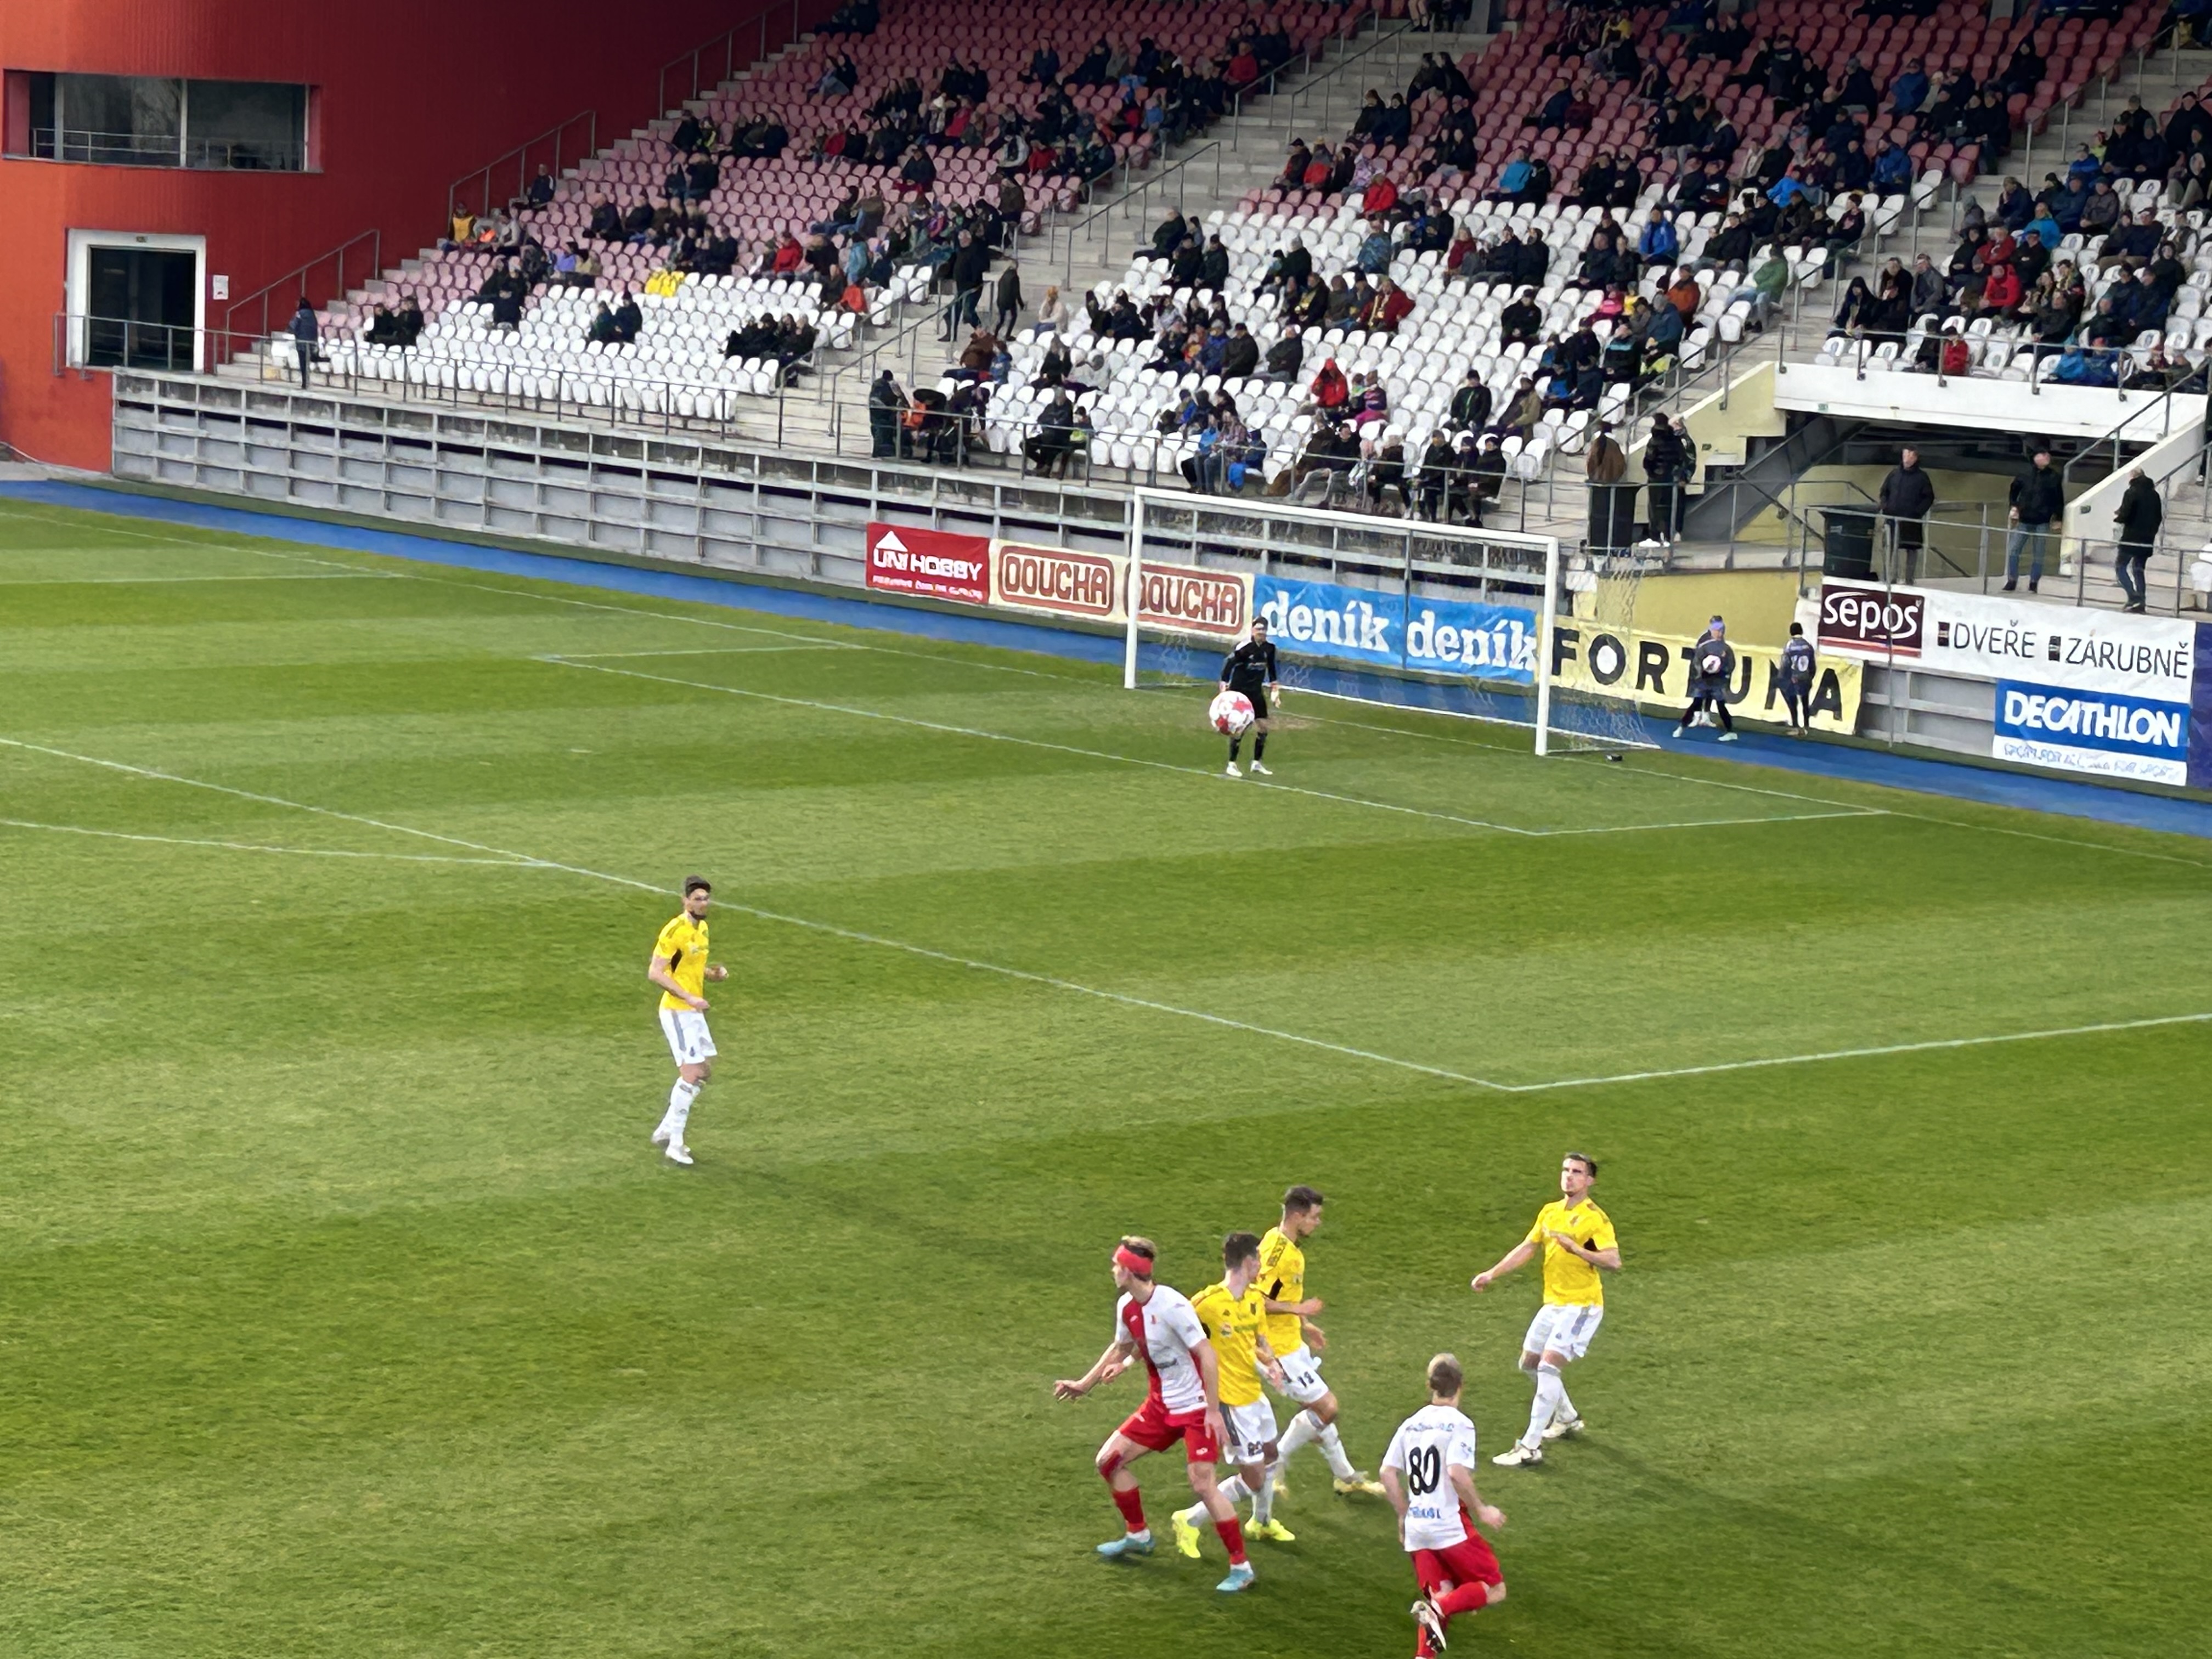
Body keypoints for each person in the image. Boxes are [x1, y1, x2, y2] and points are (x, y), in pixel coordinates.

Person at [1052, 1238, 1257, 1594]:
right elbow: (1122, 1346)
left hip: (1196, 1408)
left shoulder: (1173, 1305)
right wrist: (1085, 1384)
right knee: (1108, 1461)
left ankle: (1242, 1567)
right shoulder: (1127, 1306)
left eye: (1117, 1265)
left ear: (1130, 1271)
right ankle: (1139, 1535)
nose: (1112, 1270)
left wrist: (1212, 1412)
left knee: (1203, 1484)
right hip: (1160, 1407)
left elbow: (1207, 1355)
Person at [1471, 1153, 1622, 1468]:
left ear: (1590, 1180)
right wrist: (1492, 1274)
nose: (1569, 1176)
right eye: (1566, 1170)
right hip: (1554, 1304)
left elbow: (1613, 1261)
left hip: (1581, 1306)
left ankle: (1530, 1447)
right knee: (1529, 1363)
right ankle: (1566, 1417)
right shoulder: (1550, 1212)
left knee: (1548, 1367)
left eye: (1577, 1172)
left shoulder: (1594, 1219)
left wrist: (1576, 1249)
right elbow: (1528, 1247)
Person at [1169, 1232, 1295, 1554]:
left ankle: (1261, 1522)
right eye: (1259, 1260)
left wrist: (1272, 1365)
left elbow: (1260, 1341)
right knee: (1254, 1479)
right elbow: (1172, 1328)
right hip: (1230, 1404)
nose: (1261, 1266)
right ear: (1249, 1262)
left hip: (1255, 1395)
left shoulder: (1254, 1299)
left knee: (1271, 1454)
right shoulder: (1208, 1303)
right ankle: (1189, 1519)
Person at [1258, 1185, 1385, 1498]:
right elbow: (1256, 1301)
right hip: (1278, 1350)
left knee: (1318, 1414)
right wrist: (1299, 1309)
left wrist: (1305, 1324)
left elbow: (1282, 1294)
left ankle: (1346, 1477)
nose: (1318, 1223)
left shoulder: (1285, 1245)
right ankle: (1275, 1463)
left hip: (1291, 1342)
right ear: (1297, 1216)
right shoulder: (1278, 1254)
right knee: (1327, 1409)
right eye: (1314, 1217)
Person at [1381, 1353, 1508, 1659]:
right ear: (1461, 1385)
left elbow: (1387, 1473)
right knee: (1493, 1589)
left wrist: (1403, 1516)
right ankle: (1436, 1610)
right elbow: (1456, 1472)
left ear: (1430, 1386)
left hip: (1417, 1529)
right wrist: (1482, 1509)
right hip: (1449, 1526)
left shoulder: (1410, 1424)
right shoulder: (1460, 1424)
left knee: (1444, 1592)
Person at [646, 875, 726, 1167]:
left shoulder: (702, 929)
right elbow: (656, 972)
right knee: (691, 1074)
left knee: (702, 1072)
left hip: (692, 1011)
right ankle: (675, 1144)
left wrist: (711, 975)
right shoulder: (675, 930)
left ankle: (667, 1128)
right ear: (685, 901)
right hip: (678, 1011)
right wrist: (690, 997)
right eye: (697, 899)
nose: (703, 904)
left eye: (706, 899)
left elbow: (691, 966)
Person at [1218, 618, 1279, 777]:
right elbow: (1229, 662)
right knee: (1240, 729)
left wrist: (1275, 688)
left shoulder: (1270, 649)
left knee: (1263, 728)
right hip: (1240, 694)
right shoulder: (1245, 648)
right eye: (1258, 630)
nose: (1261, 633)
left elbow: (1272, 668)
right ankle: (1231, 764)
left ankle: (1256, 763)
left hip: (1256, 692)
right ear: (1252, 631)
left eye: (1263, 630)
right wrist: (1224, 683)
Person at [2004, 448, 2062, 592]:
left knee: (2039, 554)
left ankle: (2034, 582)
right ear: (2035, 458)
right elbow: (2014, 490)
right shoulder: (2025, 474)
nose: (2047, 457)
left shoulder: (2054, 476)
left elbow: (2058, 498)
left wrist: (2058, 517)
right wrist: (2014, 506)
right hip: (2025, 519)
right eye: (2043, 454)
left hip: (2043, 520)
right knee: (2014, 550)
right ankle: (2012, 580)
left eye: (2047, 455)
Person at [1673, 615, 1739, 739]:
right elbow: (1697, 661)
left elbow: (1731, 664)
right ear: (1712, 631)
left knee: (1721, 706)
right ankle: (1682, 727)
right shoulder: (1704, 646)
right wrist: (1701, 672)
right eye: (1717, 631)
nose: (1719, 633)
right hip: (1704, 681)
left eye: (1721, 631)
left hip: (1717, 682)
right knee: (1696, 704)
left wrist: (1723, 673)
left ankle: (1730, 732)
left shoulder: (1726, 648)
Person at [1878, 445, 1937, 581]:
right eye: (1905, 455)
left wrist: (1917, 513)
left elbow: (1928, 497)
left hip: (1911, 520)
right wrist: (1885, 507)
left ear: (1916, 458)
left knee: (1911, 548)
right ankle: (1889, 578)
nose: (1907, 459)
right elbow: (1884, 492)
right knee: (1890, 547)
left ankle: (1909, 579)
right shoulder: (1894, 474)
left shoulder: (1922, 477)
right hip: (1892, 518)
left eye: (1910, 456)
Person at [2113, 466, 2162, 612]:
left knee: (2121, 566)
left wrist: (2118, 517)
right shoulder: (2155, 495)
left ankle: (2133, 597)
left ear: (2133, 477)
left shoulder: (2131, 492)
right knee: (2139, 569)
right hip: (2147, 539)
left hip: (2131, 537)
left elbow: (2126, 513)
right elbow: (2158, 517)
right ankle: (2142, 602)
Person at [1643, 413, 1689, 543]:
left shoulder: (1654, 441)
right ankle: (1671, 534)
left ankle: (1656, 536)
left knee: (1655, 509)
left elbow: (1648, 462)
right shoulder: (1676, 441)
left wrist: (1652, 474)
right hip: (1673, 480)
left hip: (1657, 481)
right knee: (1672, 508)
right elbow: (1683, 460)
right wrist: (1681, 477)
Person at [1779, 622, 1816, 736]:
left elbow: (1785, 664)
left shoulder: (1789, 646)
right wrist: (1810, 677)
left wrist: (1784, 678)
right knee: (1805, 702)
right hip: (1805, 677)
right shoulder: (1808, 646)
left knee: (1793, 702)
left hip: (1793, 678)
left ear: (1791, 632)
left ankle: (1796, 726)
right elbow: (1813, 665)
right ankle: (1807, 727)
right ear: (1801, 631)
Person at [287, 299, 319, 388]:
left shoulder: (299, 314)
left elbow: (293, 326)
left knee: (303, 363)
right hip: (311, 342)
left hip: (301, 342)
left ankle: (305, 382)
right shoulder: (313, 315)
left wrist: (292, 330)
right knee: (308, 362)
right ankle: (307, 381)